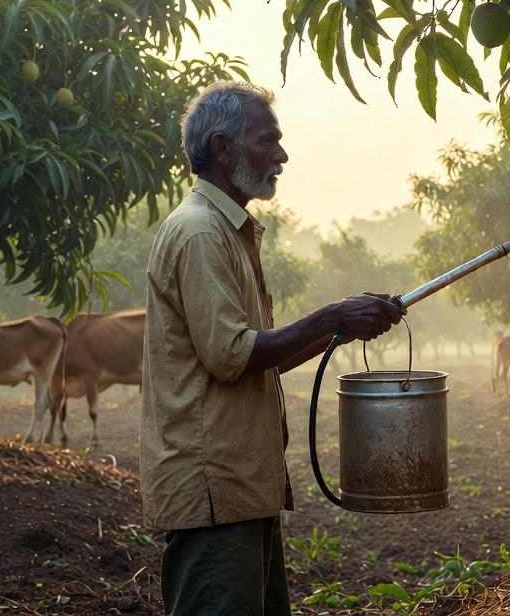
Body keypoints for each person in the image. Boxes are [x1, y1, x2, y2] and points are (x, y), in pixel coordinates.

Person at [140, 81, 402, 616]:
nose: (281, 156)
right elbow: (231, 355)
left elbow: (266, 358)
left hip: (241, 487)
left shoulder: (229, 232)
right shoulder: (200, 234)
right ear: (223, 148)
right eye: (268, 140)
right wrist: (332, 314)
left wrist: (341, 327)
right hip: (214, 491)